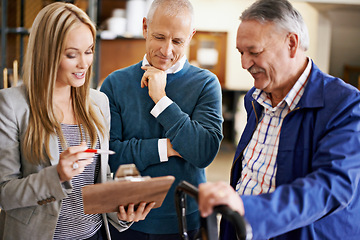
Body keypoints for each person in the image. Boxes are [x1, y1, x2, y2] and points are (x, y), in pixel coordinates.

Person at [198, 0, 360, 239]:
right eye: (241, 52)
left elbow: (332, 187)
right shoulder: (255, 98)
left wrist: (248, 208)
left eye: (254, 52)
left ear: (292, 44)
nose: (244, 63)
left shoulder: (346, 105)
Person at [0, 2, 154, 240]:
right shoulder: (12, 105)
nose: (84, 64)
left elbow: (98, 179)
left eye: (89, 51)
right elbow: (6, 194)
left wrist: (123, 212)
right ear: (47, 53)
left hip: (93, 234)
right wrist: (57, 176)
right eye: (72, 54)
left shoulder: (99, 103)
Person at [100, 0, 223, 239]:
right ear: (145, 27)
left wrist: (162, 100)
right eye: (159, 37)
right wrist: (168, 147)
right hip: (126, 221)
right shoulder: (114, 84)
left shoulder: (206, 84)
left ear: (191, 36)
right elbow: (111, 157)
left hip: (185, 221)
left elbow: (203, 152)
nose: (167, 51)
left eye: (177, 41)